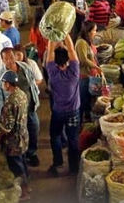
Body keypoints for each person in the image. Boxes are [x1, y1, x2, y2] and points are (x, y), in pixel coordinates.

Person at [0, 47, 42, 167]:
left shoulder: (24, 67)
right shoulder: (0, 78)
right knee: (18, 135)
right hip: (15, 114)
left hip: (30, 108)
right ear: (2, 60)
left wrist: (35, 95)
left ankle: (32, 153)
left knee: (34, 130)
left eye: (11, 57)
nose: (9, 61)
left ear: (15, 56)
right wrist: (2, 116)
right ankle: (23, 156)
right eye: (6, 59)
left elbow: (32, 83)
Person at [46, 34, 80, 176]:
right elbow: (72, 50)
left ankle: (58, 163)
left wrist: (52, 35)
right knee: (73, 139)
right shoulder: (74, 71)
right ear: (67, 59)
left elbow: (49, 52)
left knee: (55, 136)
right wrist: (64, 34)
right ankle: (74, 167)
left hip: (58, 112)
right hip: (73, 112)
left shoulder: (52, 73)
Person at [0, 70, 31, 201]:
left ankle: (24, 191)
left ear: (8, 84)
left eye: (4, 83)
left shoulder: (9, 102)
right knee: (23, 161)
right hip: (24, 136)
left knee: (16, 166)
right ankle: (28, 185)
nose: (3, 85)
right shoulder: (22, 94)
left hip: (14, 141)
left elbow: (8, 127)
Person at [75, 21, 101, 122]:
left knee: (89, 100)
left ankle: (87, 118)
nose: (95, 32)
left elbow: (92, 55)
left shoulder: (88, 41)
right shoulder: (81, 43)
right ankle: (80, 123)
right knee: (83, 101)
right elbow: (84, 60)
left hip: (91, 75)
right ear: (88, 31)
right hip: (84, 76)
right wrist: (96, 67)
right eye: (94, 30)